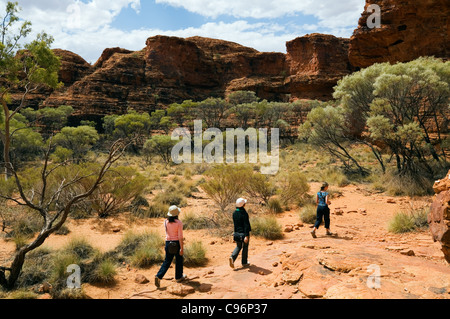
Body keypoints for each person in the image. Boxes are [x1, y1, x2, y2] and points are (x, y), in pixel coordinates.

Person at [155, 205, 186, 288]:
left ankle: (159, 276)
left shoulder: (165, 221)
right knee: (179, 260)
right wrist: (181, 248)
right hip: (177, 243)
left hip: (168, 243)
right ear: (177, 214)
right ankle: (179, 277)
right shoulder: (179, 223)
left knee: (167, 261)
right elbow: (180, 237)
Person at [229, 198, 251, 269]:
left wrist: (235, 234)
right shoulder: (244, 213)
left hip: (237, 233)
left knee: (238, 246)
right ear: (243, 205)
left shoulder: (234, 213)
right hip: (243, 234)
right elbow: (246, 225)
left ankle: (232, 257)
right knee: (245, 247)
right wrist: (246, 236)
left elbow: (235, 225)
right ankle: (244, 262)